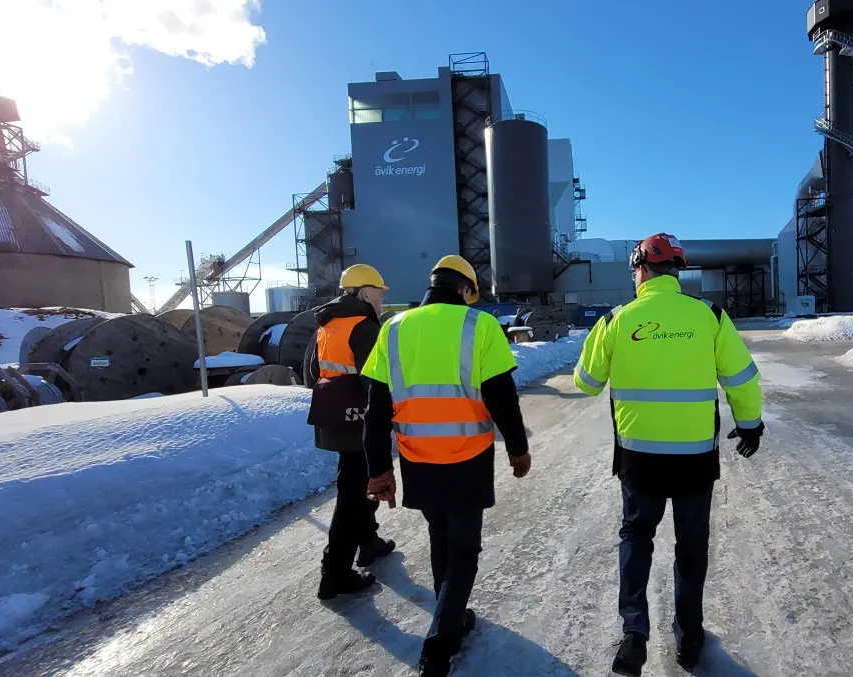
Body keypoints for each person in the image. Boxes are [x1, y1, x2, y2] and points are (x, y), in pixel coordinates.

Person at [573, 233, 765, 676]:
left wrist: (600, 336)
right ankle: (688, 637)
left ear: (640, 267)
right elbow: (742, 379)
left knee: (636, 538)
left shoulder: (618, 319)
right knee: (691, 546)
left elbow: (585, 381)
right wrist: (750, 423)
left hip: (639, 460)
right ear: (676, 270)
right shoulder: (710, 315)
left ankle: (634, 634)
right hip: (696, 459)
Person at [361, 254, 532, 677]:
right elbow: (502, 397)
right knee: (465, 550)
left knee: (441, 538)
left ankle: (450, 618)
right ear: (465, 290)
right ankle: (439, 647)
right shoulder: (480, 325)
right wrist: (518, 448)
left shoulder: (394, 329)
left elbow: (376, 409)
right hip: (468, 457)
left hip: (417, 458)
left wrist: (378, 468)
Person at [304, 264, 397, 600]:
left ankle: (368, 541)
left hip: (337, 416)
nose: (383, 299)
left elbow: (313, 372)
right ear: (365, 292)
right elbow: (375, 382)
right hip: (362, 418)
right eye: (380, 292)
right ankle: (335, 574)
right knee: (353, 494)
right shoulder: (364, 326)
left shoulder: (326, 325)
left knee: (357, 483)